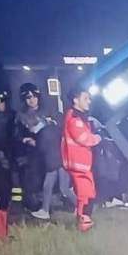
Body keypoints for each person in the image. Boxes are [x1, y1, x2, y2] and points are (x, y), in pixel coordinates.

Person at [17, 83, 76, 221]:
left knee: (63, 188)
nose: (31, 100)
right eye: (27, 98)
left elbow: (62, 125)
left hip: (59, 152)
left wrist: (47, 123)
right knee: (48, 185)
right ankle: (45, 210)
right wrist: (26, 139)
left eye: (33, 96)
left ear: (38, 96)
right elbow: (28, 131)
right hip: (47, 154)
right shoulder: (24, 116)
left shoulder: (50, 110)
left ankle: (81, 206)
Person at [61, 86, 102, 231]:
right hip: (78, 164)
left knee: (88, 193)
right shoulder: (74, 118)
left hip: (81, 164)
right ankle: (83, 223)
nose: (89, 101)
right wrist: (97, 137)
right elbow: (84, 138)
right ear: (75, 100)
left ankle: (84, 221)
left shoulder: (77, 117)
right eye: (86, 98)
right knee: (85, 195)